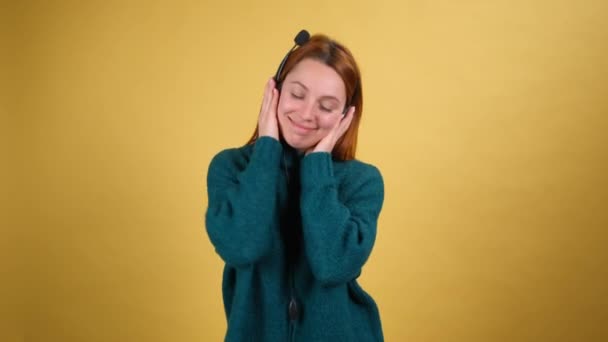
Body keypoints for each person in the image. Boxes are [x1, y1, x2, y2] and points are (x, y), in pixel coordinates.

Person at [205, 31, 385, 341]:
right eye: (297, 94)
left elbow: (332, 265)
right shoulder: (230, 168)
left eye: (326, 106)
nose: (306, 114)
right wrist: (267, 150)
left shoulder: (363, 181)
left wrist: (317, 166)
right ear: (274, 91)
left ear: (346, 116)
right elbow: (241, 247)